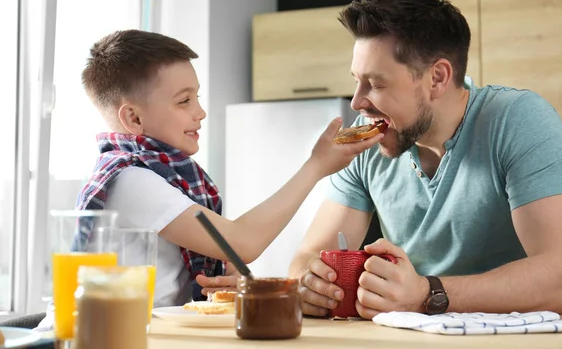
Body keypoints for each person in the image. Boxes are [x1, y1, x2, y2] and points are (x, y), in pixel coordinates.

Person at [36, 29, 383, 330]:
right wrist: (315, 166)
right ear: (134, 117)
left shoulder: (156, 173)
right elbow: (241, 242)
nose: (200, 111)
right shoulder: (128, 180)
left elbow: (217, 255)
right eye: (184, 100)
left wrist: (220, 281)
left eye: (197, 96)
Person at [280, 0, 562, 319]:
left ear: (437, 78)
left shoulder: (518, 120)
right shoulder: (369, 139)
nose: (357, 102)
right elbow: (308, 258)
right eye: (357, 80)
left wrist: (427, 293)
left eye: (377, 84)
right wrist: (309, 285)